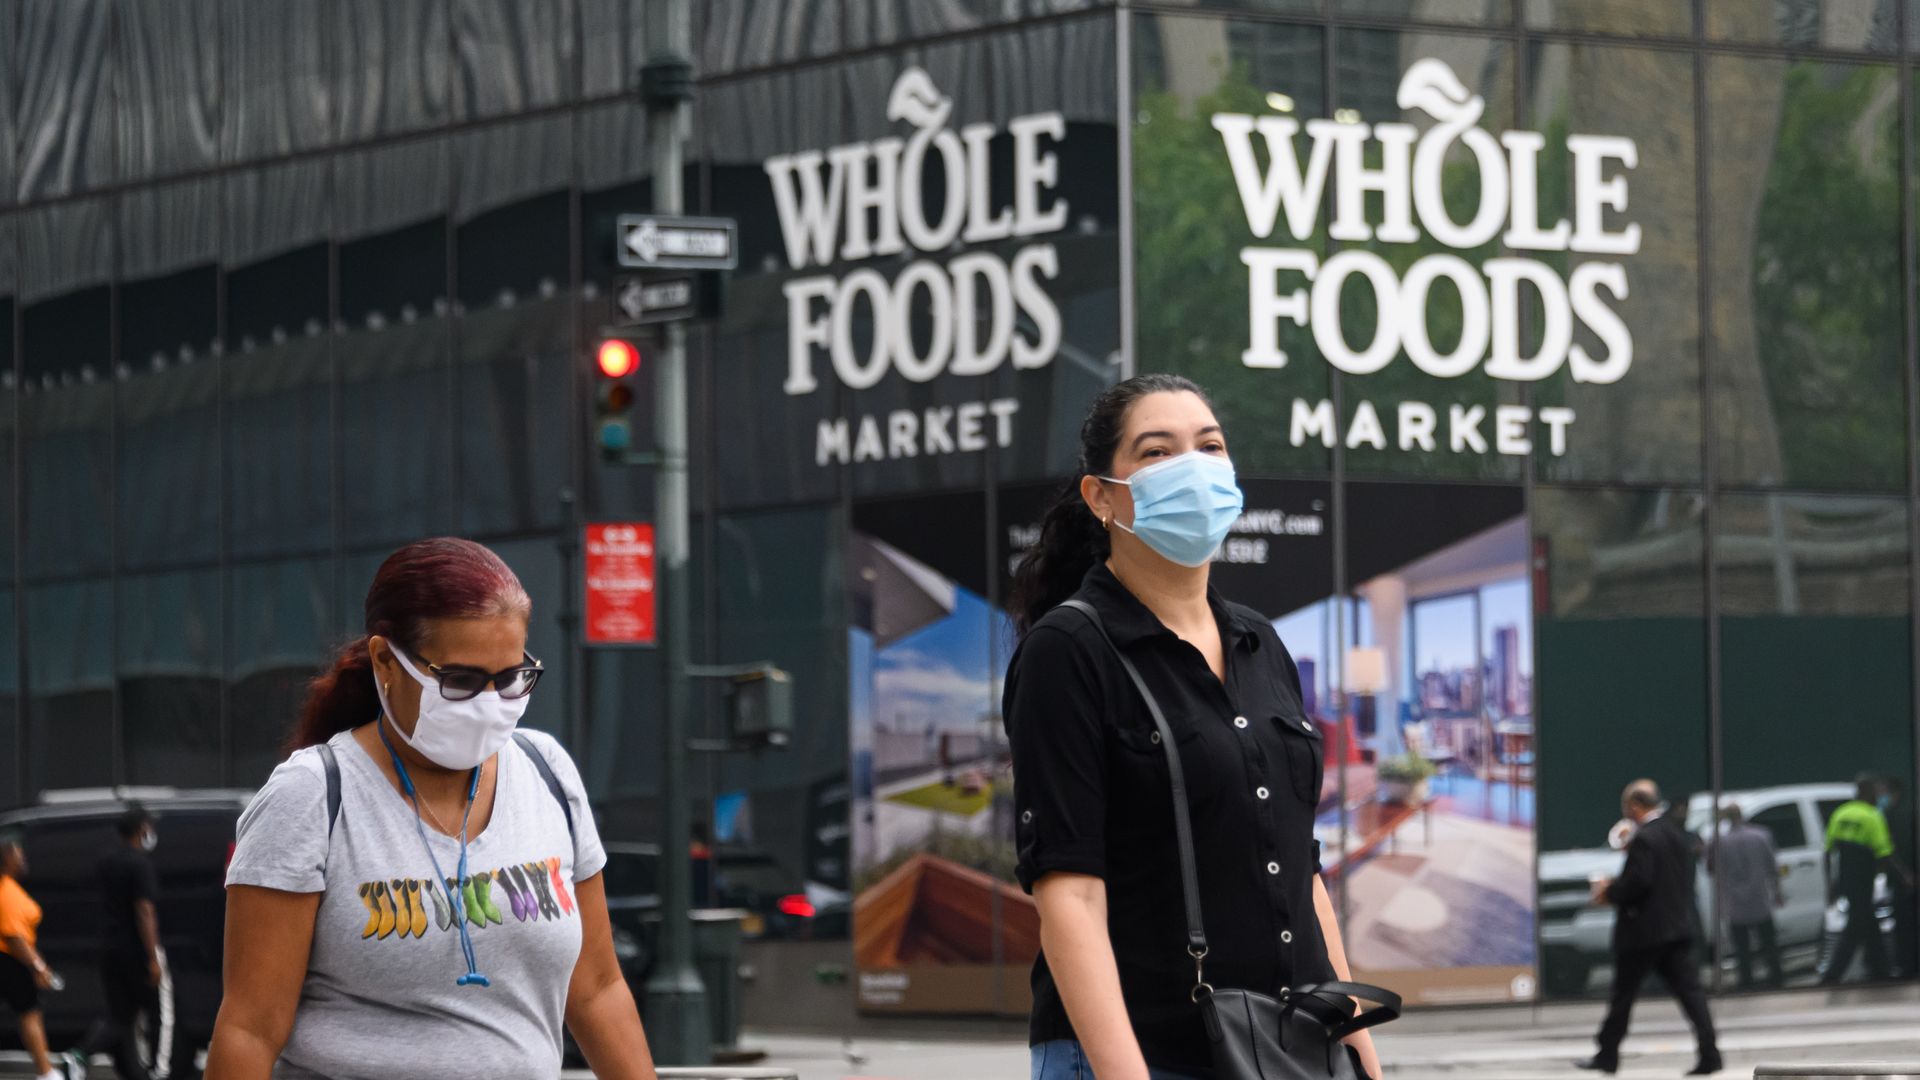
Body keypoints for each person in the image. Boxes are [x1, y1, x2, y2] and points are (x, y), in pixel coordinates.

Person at [1004, 374, 1381, 1080]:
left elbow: (1301, 869)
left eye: (1210, 446)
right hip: (1143, 1051)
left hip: (1291, 1042)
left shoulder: (1261, 644)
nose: (1193, 467)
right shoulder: (1068, 652)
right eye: (1156, 451)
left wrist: (1355, 1033)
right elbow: (1070, 896)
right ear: (1102, 496)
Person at [204, 537, 658, 1080]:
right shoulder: (311, 796)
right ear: (384, 662)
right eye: (460, 680)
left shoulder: (547, 773)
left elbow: (598, 991)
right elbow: (249, 1029)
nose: (490, 703)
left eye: (512, 678)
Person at [1579, 780, 1721, 1076]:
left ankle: (1607, 1055)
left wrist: (1610, 893)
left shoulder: (1644, 838)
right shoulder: (1674, 833)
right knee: (1691, 995)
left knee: (1623, 996)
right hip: (1676, 927)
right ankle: (1710, 1053)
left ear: (1634, 806)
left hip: (1644, 933)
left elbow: (1639, 881)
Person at [96, 806, 172, 1079]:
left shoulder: (106, 861)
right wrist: (152, 957)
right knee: (157, 1014)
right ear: (142, 829)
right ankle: (156, 1070)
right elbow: (145, 911)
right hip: (137, 949)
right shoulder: (140, 864)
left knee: (121, 1018)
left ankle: (128, 1071)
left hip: (109, 947)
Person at [0, 836, 82, 1080]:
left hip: (13, 959)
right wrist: (38, 966)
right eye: (18, 855)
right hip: (9, 961)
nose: (23, 859)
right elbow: (14, 937)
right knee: (29, 1014)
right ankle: (45, 1072)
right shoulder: (6, 892)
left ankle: (45, 1070)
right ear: (6, 859)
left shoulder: (11, 888)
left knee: (30, 1014)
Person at [1821, 773, 1913, 984]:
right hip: (1863, 879)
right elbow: (1885, 853)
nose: (1878, 795)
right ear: (1867, 792)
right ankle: (1831, 975)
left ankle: (1881, 970)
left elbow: (1827, 852)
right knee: (1855, 927)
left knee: (1869, 925)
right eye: (1875, 791)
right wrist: (1905, 876)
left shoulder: (1840, 814)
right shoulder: (1872, 816)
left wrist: (1830, 884)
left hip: (1845, 878)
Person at [1708, 805, 1783, 990]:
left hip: (1735, 902)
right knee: (1769, 943)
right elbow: (1772, 866)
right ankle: (1776, 977)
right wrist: (1777, 891)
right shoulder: (1761, 835)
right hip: (1760, 899)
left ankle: (1746, 980)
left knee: (1742, 947)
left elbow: (1710, 867)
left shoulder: (1719, 842)